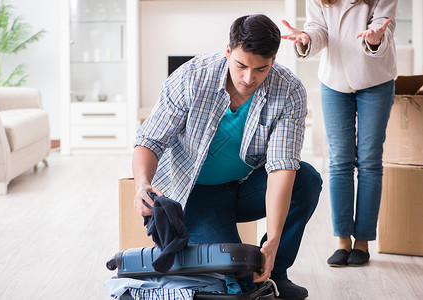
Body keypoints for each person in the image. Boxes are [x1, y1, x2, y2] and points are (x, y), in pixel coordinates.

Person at [132, 14, 322, 300]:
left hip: (246, 187)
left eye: (261, 69)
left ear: (273, 59)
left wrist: (273, 240)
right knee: (235, 275)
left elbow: (282, 167)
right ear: (228, 51)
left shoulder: (289, 90)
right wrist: (142, 184)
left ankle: (276, 270)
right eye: (241, 65)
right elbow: (150, 140)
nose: (249, 78)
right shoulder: (192, 77)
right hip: (195, 193)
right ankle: (252, 272)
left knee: (307, 179)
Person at [281, 0, 397, 267]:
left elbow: (384, 27)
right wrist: (306, 37)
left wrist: (376, 38)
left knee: (369, 161)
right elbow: (319, 29)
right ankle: (343, 241)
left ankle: (363, 242)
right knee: (339, 161)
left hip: (375, 79)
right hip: (334, 81)